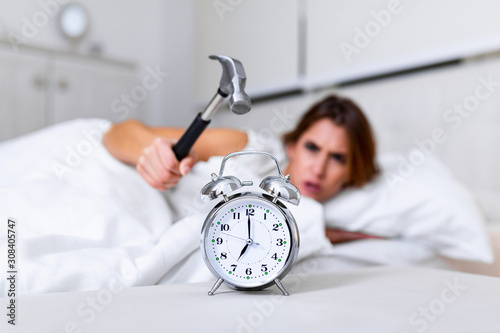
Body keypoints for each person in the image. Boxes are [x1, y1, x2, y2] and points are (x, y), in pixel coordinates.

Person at [103, 94, 380, 243]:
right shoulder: (249, 150)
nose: (318, 169)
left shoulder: (324, 220)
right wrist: (153, 155)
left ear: (352, 171)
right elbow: (118, 132)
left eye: (338, 159)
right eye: (312, 148)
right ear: (293, 145)